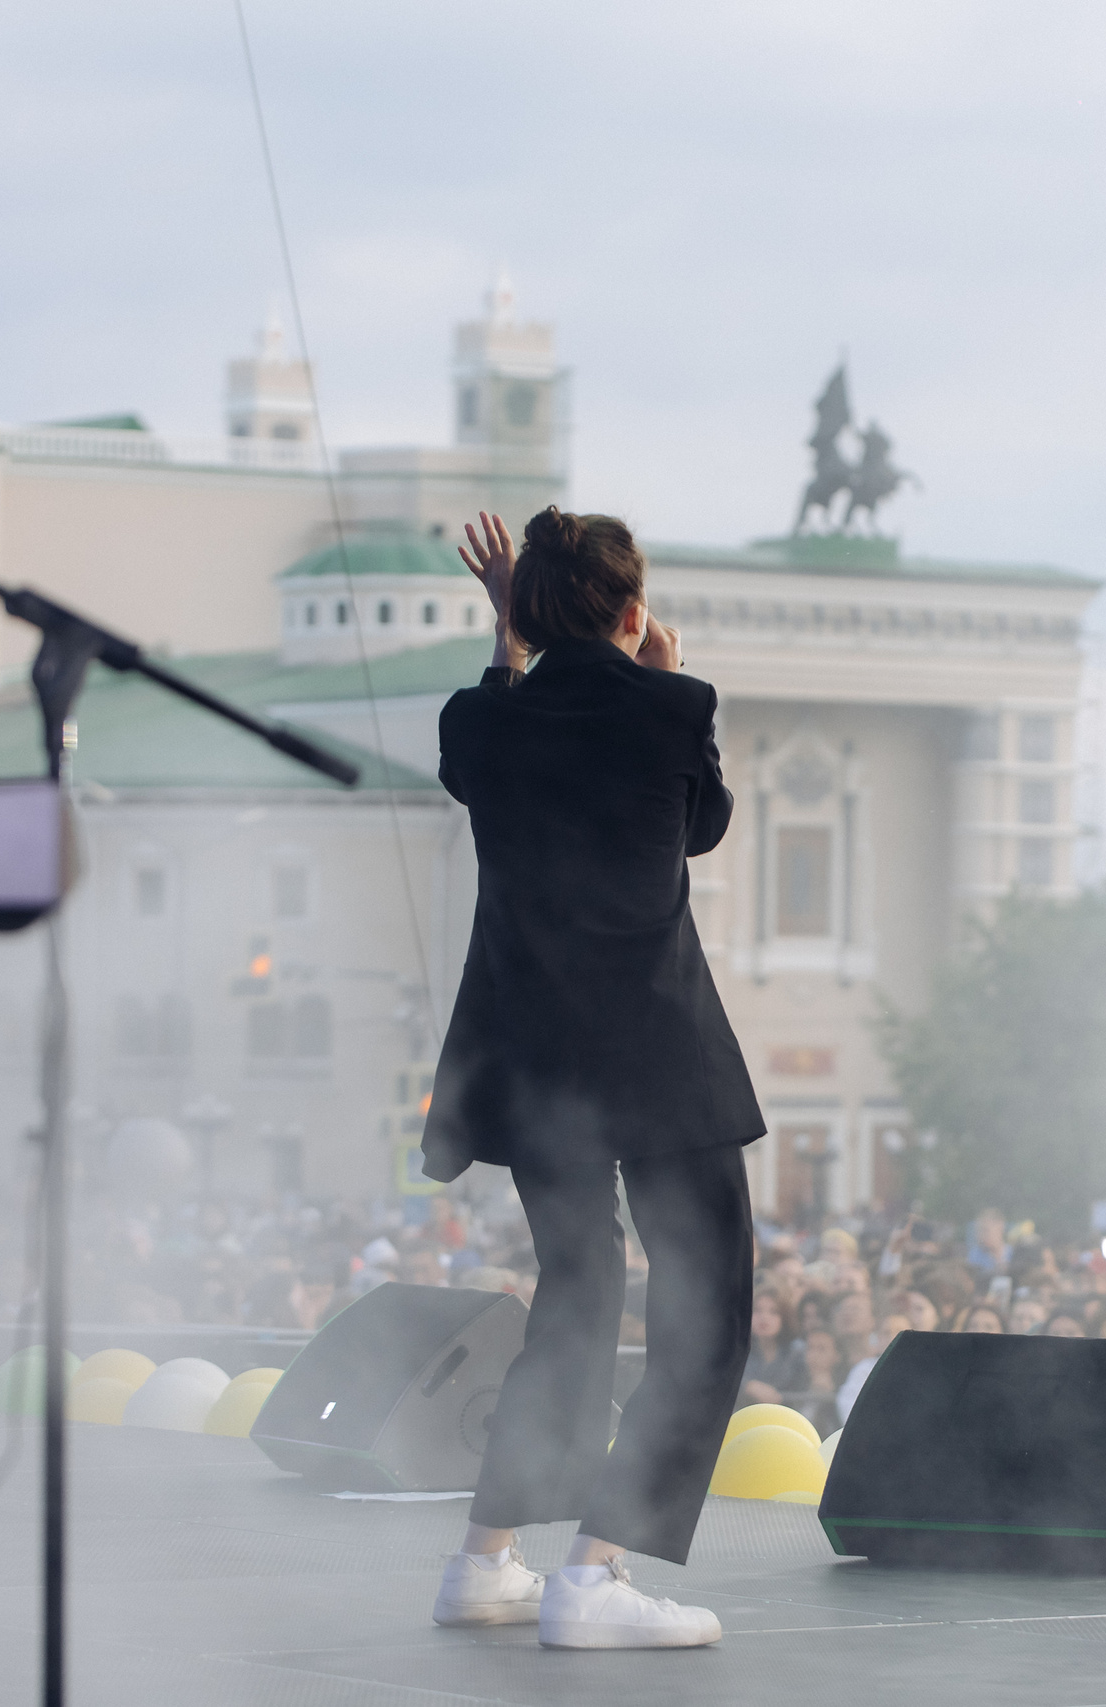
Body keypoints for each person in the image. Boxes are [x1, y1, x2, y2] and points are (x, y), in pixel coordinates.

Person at [420, 508, 765, 1651]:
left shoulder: (480, 719)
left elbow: (483, 757)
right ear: (632, 611)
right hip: (658, 1059)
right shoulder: (672, 706)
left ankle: (485, 1564)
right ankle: (596, 1572)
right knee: (704, 1310)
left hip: (531, 1065)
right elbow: (700, 828)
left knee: (576, 1294)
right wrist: (659, 676)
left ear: (521, 612)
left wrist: (508, 640)